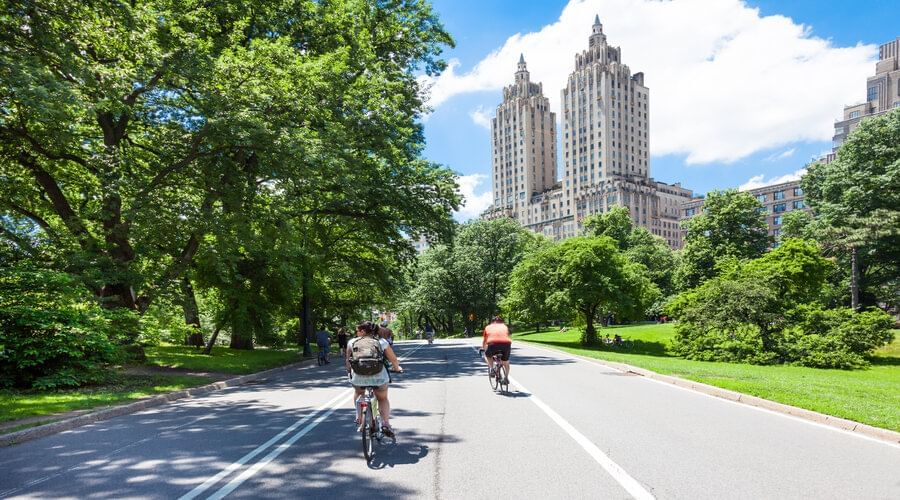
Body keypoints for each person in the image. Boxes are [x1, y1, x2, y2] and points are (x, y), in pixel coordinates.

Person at [347, 321, 403, 437]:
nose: (356, 333)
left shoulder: (351, 342)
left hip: (359, 377)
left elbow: (348, 362)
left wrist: (349, 372)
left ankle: (359, 417)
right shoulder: (381, 342)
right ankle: (385, 424)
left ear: (362, 331)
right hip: (379, 378)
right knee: (382, 398)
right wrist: (397, 368)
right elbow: (393, 359)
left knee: (358, 392)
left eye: (357, 330)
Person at [482, 316, 512, 384]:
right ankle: (506, 378)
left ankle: (492, 369)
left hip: (493, 343)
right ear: (501, 322)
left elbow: (484, 341)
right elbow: (508, 336)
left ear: (492, 322)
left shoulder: (488, 327)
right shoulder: (505, 326)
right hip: (506, 344)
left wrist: (484, 349)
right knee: (506, 362)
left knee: (487, 356)